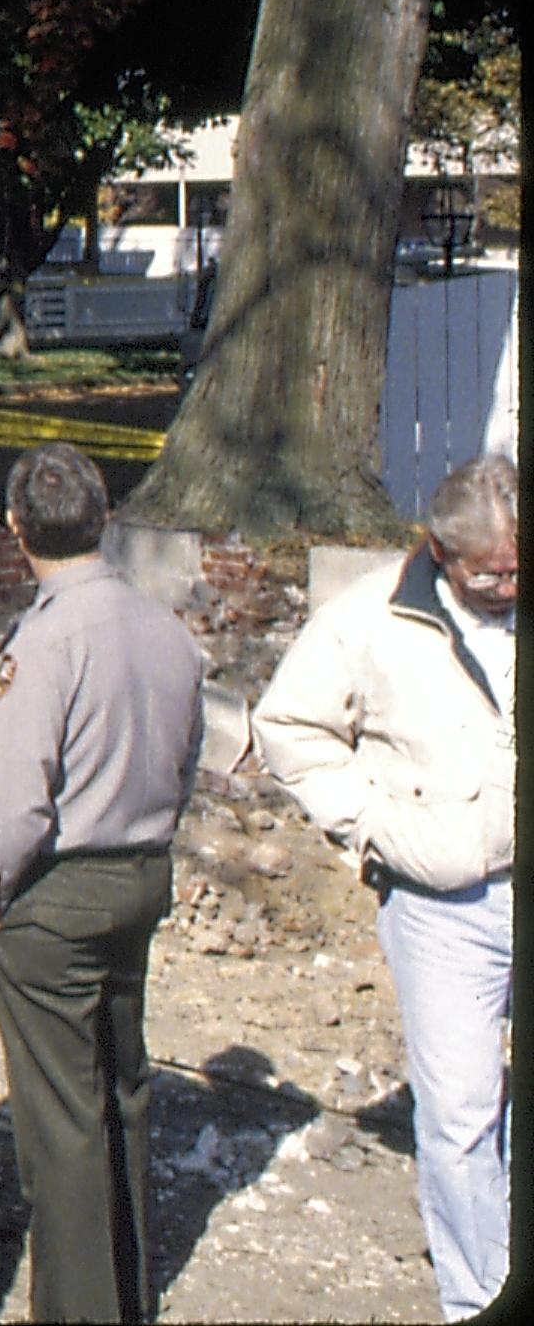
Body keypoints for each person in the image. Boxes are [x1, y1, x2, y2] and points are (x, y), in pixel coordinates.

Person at [253, 454, 515, 1321]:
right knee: (461, 1115)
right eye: (490, 572)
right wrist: (372, 825)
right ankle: (478, 1295)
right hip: (445, 906)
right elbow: (289, 726)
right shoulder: (366, 619)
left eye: (521, 568)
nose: (508, 585)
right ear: (441, 552)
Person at [0, 443, 205, 1322]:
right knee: (122, 1089)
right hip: (140, 875)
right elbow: (188, 757)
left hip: (56, 892)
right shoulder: (166, 629)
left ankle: (79, 1309)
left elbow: (14, 798)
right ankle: (127, 1286)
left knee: (61, 1121)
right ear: (104, 520)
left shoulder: (45, 640)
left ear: (14, 527)